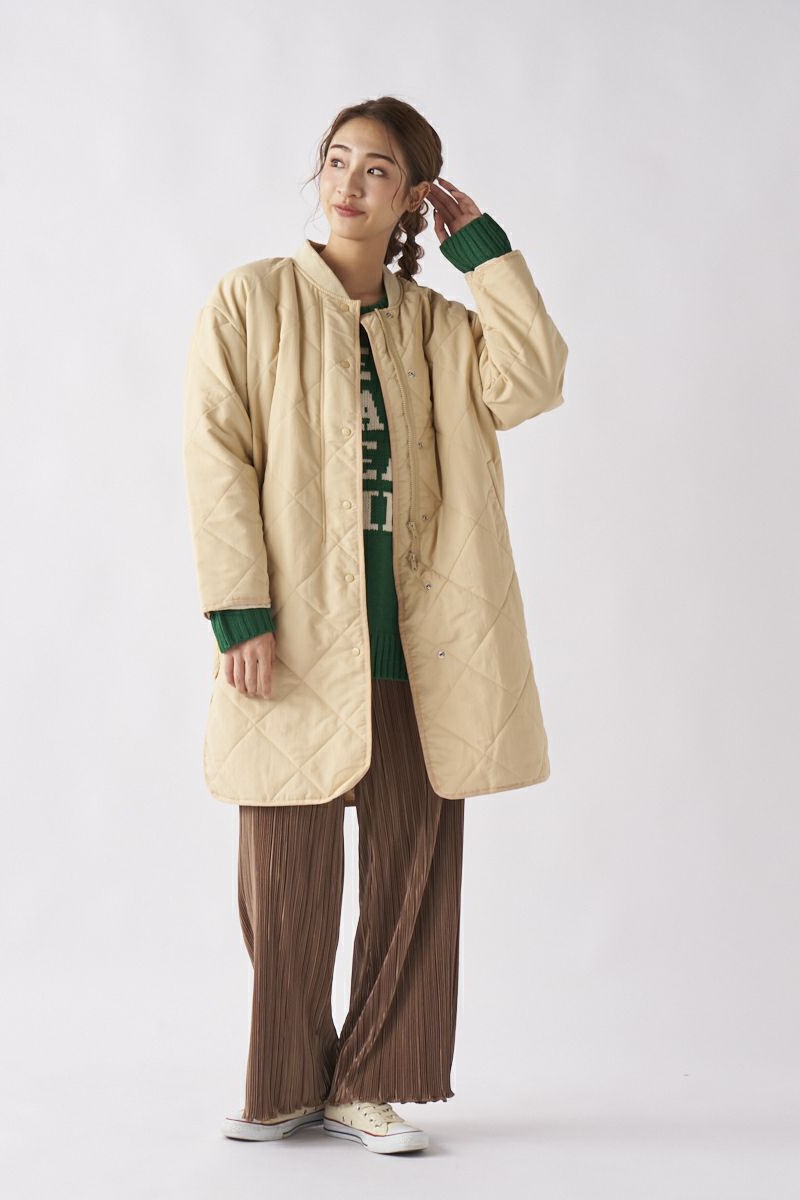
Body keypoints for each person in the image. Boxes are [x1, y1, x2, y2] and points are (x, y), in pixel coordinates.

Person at [182, 96, 568, 1155]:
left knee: (410, 873)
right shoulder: (252, 299)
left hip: (422, 643)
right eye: (337, 160)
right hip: (295, 636)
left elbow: (532, 381)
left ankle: (367, 1083)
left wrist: (483, 254)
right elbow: (217, 454)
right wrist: (239, 610)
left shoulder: (440, 326)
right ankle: (286, 1081)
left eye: (378, 170)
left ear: (411, 199)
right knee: (285, 872)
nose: (349, 184)